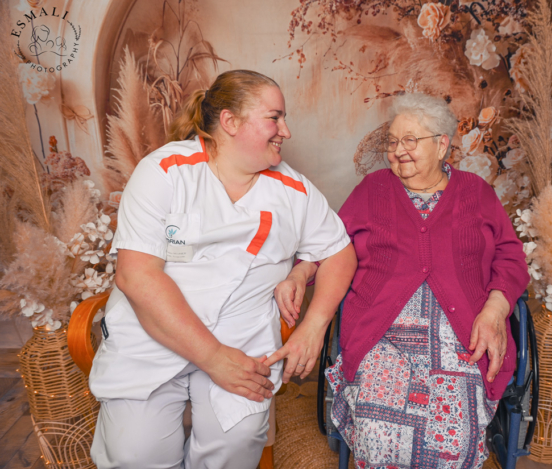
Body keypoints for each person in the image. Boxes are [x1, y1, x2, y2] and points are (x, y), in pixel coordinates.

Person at [89, 70, 357, 469]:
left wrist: (313, 326)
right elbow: (135, 275)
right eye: (274, 117)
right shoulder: (166, 172)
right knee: (135, 453)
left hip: (244, 340)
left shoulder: (293, 190)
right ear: (230, 122)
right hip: (152, 339)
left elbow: (340, 253)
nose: (286, 130)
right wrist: (214, 358)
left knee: (234, 445)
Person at [325, 93, 530, 468]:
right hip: (381, 334)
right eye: (392, 141)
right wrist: (301, 271)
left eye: (410, 140)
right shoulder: (372, 190)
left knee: (455, 436)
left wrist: (495, 310)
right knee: (378, 433)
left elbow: (511, 255)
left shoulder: (477, 193)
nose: (398, 150)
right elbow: (330, 244)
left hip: (463, 335)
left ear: (441, 145)